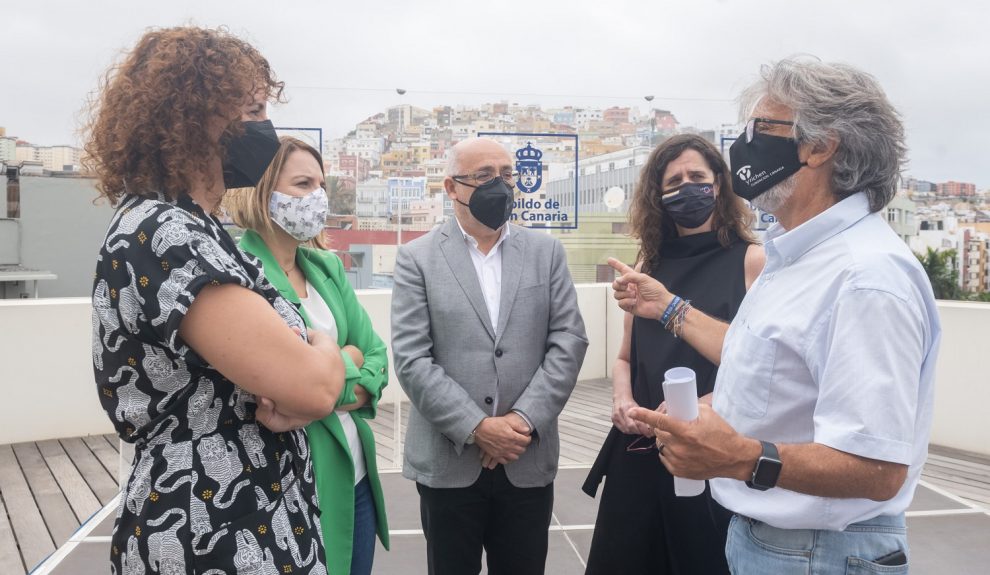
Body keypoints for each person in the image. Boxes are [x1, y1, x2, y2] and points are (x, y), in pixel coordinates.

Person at [616, 57, 941, 574]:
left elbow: (878, 468)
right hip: (769, 542)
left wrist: (737, 456)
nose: (743, 146)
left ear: (819, 146)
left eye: (761, 128)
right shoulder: (798, 256)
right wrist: (716, 391)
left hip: (819, 553)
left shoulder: (865, 276)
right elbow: (772, 364)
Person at [86, 27, 342, 573]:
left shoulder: (197, 226)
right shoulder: (165, 233)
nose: (263, 126)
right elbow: (316, 386)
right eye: (250, 108)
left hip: (247, 507)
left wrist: (301, 369)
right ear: (190, 118)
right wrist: (322, 348)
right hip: (211, 525)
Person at [390, 137, 589, 575]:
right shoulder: (416, 258)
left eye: (506, 175)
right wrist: (477, 427)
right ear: (451, 187)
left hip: (526, 457)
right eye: (484, 176)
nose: (499, 185)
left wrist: (520, 423)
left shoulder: (546, 252)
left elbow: (569, 340)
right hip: (449, 462)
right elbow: (411, 357)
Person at [582, 134, 765, 575]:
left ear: (718, 185)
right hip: (639, 454)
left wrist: (709, 405)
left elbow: (760, 365)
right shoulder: (647, 266)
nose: (687, 187)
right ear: (658, 196)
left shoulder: (753, 262)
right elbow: (626, 357)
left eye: (697, 177)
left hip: (709, 454)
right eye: (674, 180)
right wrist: (621, 401)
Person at [224, 136, 390, 575]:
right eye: (302, 183)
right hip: (292, 481)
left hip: (356, 474)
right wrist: (341, 364)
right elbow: (276, 391)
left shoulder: (327, 267)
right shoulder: (238, 276)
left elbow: (376, 355)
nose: (317, 197)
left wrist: (326, 376)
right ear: (260, 191)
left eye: (320, 185)